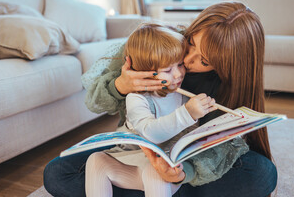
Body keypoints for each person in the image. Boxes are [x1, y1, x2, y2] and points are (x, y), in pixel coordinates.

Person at [44, 2, 278, 197]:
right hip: (137, 148)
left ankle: (159, 187)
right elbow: (95, 103)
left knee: (261, 174)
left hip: (183, 160)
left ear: (227, 67)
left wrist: (184, 172)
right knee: (58, 173)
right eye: (192, 44)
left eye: (204, 62)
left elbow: (223, 147)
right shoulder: (158, 43)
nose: (186, 61)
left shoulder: (227, 84)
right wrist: (121, 85)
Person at [85, 23, 249, 197]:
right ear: (144, 71)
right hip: (132, 159)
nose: (178, 74)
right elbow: (150, 133)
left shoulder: (185, 97)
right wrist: (188, 113)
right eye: (168, 70)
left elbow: (190, 138)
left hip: (166, 167)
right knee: (95, 161)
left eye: (179, 64)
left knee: (154, 173)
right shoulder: (137, 97)